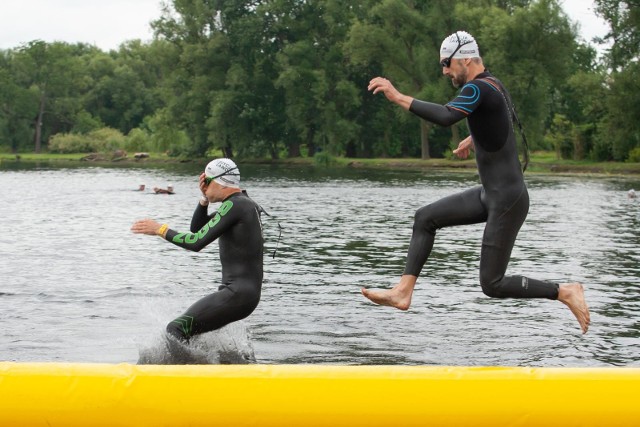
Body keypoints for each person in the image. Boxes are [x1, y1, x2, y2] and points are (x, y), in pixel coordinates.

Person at [361, 31, 590, 334]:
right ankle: (403, 291)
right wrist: (476, 137)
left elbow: (445, 116)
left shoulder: (478, 87)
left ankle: (565, 291)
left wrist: (397, 95)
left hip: (507, 200)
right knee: (425, 218)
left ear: (465, 58)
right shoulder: (494, 85)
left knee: (492, 284)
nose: (444, 71)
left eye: (446, 63)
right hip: (491, 194)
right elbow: (500, 121)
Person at [131, 158, 264, 349]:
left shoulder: (235, 206)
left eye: (207, 181)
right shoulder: (243, 204)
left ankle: (184, 376)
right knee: (186, 331)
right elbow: (197, 228)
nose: (205, 186)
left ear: (219, 181)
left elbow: (195, 242)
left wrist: (160, 229)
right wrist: (204, 199)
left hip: (237, 294)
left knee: (175, 329)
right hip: (243, 295)